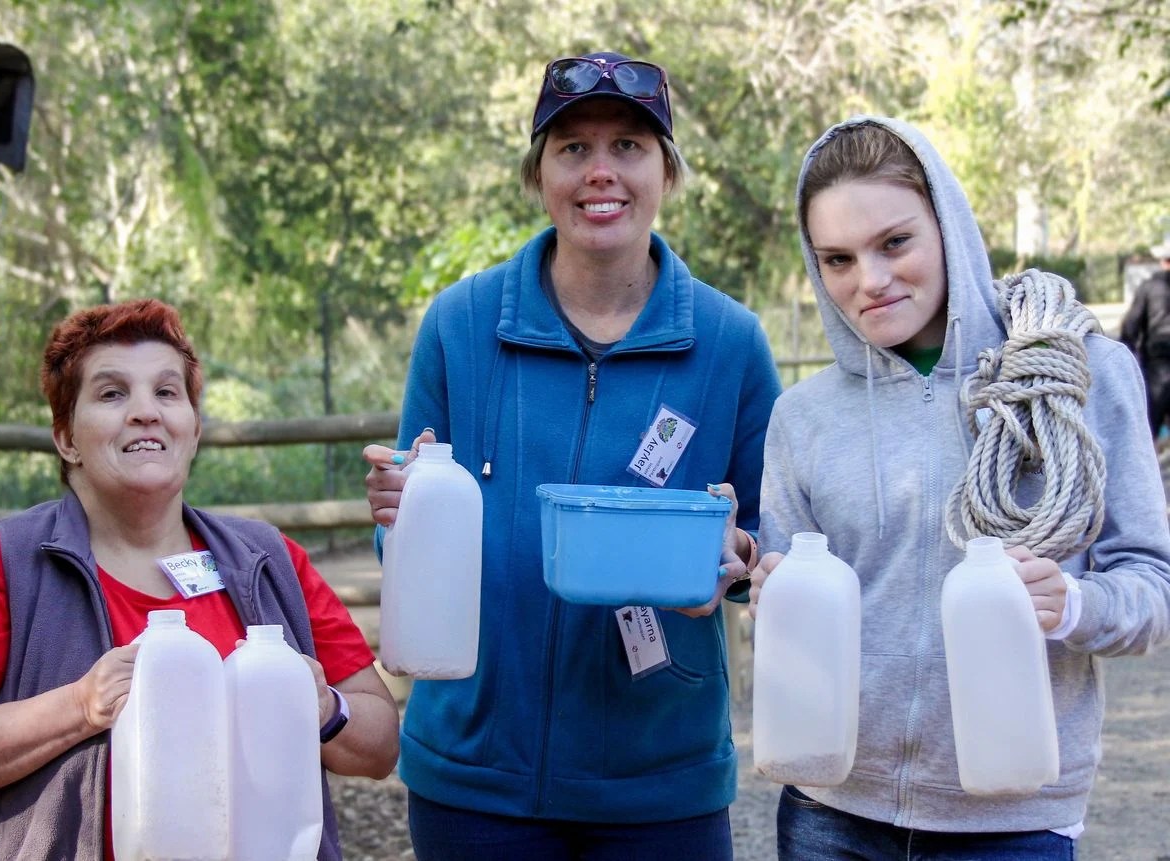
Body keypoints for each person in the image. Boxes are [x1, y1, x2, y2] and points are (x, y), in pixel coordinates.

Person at [363, 51, 781, 860]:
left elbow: (769, 538)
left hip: (662, 784)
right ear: (538, 173)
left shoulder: (731, 343)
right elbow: (406, 526)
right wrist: (400, 515)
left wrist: (734, 560)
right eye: (573, 148)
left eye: (629, 146)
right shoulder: (459, 325)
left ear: (667, 172)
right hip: (474, 779)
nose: (602, 172)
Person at [750, 117, 1170, 859]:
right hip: (828, 814)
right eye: (837, 259)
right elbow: (787, 600)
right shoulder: (801, 418)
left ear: (947, 224)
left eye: (895, 243)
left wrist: (1074, 604)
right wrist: (770, 587)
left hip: (1011, 821)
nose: (869, 282)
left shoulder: (1081, 375)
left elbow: (1152, 585)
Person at [0, 299, 400, 860]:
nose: (146, 412)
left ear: (193, 430)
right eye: (112, 393)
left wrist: (325, 710)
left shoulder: (268, 559)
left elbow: (380, 745)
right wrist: (79, 707)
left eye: (167, 393)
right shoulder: (4, 561)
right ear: (66, 438)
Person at [1119, 241, 1170, 439]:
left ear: (1163, 262)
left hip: (1158, 366)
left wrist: (1127, 356)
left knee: (1148, 432)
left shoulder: (1149, 288)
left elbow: (1131, 326)